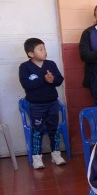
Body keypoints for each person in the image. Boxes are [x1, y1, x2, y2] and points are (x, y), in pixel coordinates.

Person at [19, 37, 66, 169]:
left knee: (54, 129)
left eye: (44, 48)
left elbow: (59, 80)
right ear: (31, 54)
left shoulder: (50, 64)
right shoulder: (25, 67)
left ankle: (56, 154)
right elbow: (26, 84)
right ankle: (37, 157)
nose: (45, 52)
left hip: (52, 103)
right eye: (40, 49)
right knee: (37, 131)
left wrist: (52, 80)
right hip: (36, 106)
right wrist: (43, 80)